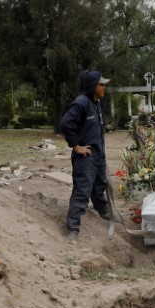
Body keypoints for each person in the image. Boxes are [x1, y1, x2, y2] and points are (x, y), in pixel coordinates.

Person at [60, 71, 111, 240]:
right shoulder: (81, 103)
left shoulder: (96, 103)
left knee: (100, 185)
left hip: (98, 154)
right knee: (82, 190)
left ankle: (103, 211)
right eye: (101, 84)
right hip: (86, 157)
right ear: (92, 86)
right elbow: (66, 124)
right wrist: (76, 146)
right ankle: (73, 228)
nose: (104, 87)